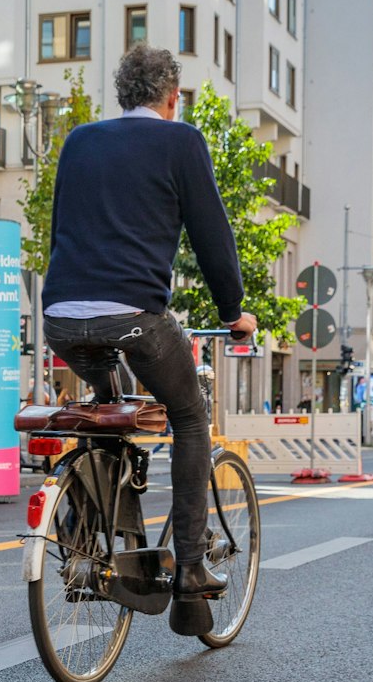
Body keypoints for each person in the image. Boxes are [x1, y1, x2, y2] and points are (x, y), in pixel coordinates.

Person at [41, 43, 255, 634]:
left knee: (106, 410)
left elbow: (60, 230)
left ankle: (92, 541)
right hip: (134, 317)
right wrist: (233, 310)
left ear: (120, 94)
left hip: (61, 318)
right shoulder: (181, 141)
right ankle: (189, 572)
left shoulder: (79, 140)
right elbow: (212, 236)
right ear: (172, 97)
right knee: (189, 417)